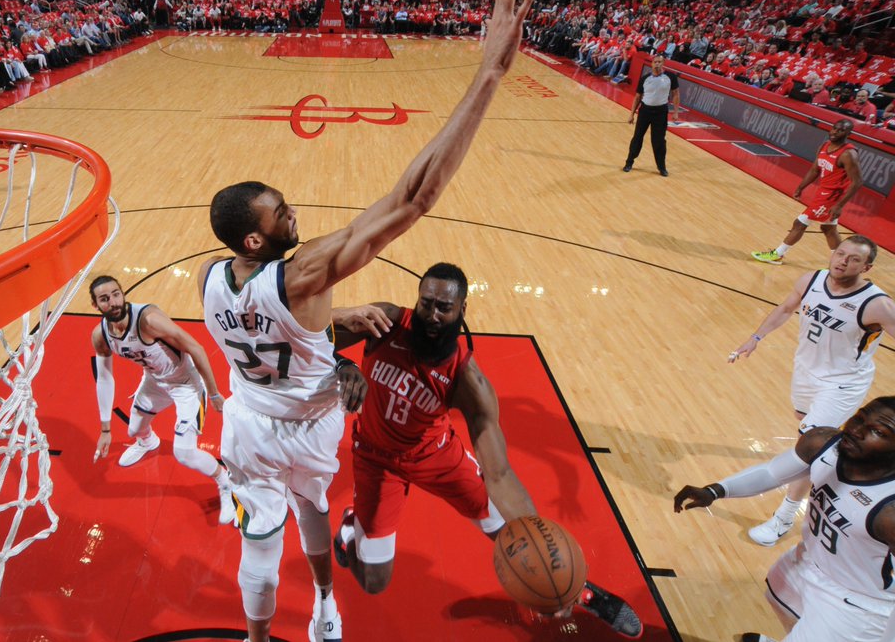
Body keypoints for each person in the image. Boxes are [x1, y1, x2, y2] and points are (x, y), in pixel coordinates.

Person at [198, 0, 534, 642]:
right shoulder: (302, 275)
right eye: (282, 212)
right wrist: (488, 75)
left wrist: (333, 328)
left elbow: (270, 332)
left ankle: (262, 636)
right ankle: (325, 603)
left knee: (259, 543)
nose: (294, 213)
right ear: (258, 237)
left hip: (247, 422)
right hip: (307, 425)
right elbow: (414, 198)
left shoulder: (207, 276)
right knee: (313, 508)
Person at [329, 263, 642, 637]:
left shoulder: (468, 381)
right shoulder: (388, 323)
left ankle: (579, 591)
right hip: (376, 458)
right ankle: (351, 526)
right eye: (426, 303)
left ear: (462, 309)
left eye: (444, 307)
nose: (432, 315)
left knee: (511, 534)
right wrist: (341, 353)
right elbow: (303, 331)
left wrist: (543, 552)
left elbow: (500, 473)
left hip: (435, 458)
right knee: (373, 582)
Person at [673, 398, 895, 642]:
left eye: (878, 432)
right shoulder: (824, 442)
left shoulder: (890, 511)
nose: (856, 430)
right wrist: (715, 491)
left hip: (859, 603)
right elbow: (772, 473)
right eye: (859, 417)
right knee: (779, 600)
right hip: (809, 560)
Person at [730, 235, 893, 545]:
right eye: (840, 253)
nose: (843, 261)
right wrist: (755, 338)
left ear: (866, 267)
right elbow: (785, 309)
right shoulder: (811, 280)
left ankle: (784, 516)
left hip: (843, 383)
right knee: (804, 428)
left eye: (854, 259)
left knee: (810, 446)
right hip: (806, 372)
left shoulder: (877, 304)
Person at [88, 276, 234, 525]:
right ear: (95, 305)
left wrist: (213, 393)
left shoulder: (148, 320)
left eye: (116, 294)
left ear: (123, 293)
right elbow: (104, 378)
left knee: (184, 453)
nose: (113, 302)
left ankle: (225, 481)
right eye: (104, 299)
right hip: (154, 382)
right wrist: (105, 429)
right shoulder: (101, 335)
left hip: (186, 384)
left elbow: (196, 348)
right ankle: (148, 442)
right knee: (134, 429)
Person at [751, 119, 862, 265]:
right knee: (828, 228)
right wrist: (800, 187)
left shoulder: (848, 154)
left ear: (848, 134)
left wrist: (839, 205)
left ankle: (778, 254)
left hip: (831, 197)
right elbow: (815, 170)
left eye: (841, 130)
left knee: (800, 223)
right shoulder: (825, 146)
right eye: (834, 128)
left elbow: (857, 182)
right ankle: (842, 262)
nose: (835, 132)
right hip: (823, 192)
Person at [624, 54, 679, 177]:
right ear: (652, 63)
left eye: (660, 62)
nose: (657, 64)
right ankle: (629, 162)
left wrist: (675, 112)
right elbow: (637, 97)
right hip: (645, 111)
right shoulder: (645, 78)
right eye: (655, 62)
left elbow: (676, 94)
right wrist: (631, 114)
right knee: (637, 137)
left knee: (659, 141)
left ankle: (661, 167)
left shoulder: (670, 77)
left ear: (663, 63)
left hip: (661, 112)